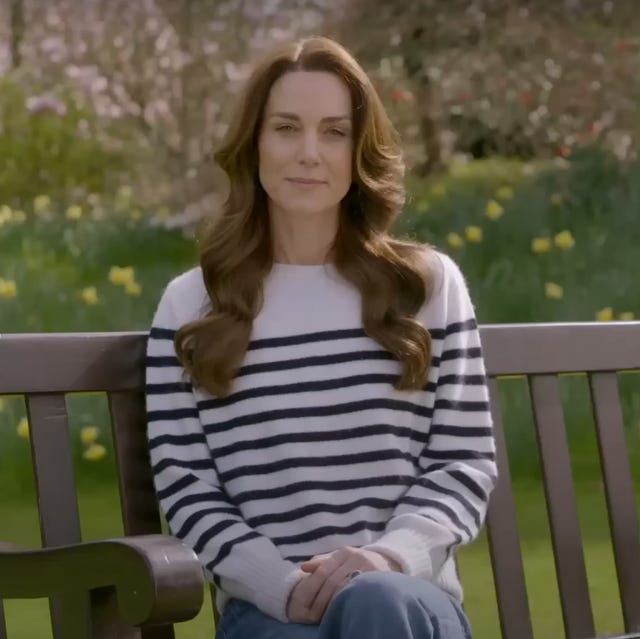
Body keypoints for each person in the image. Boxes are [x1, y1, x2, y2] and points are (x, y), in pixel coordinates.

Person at [145, 35, 497, 639]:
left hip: (407, 602)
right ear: (254, 144)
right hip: (269, 613)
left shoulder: (426, 287)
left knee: (376, 603)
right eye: (287, 128)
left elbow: (462, 463)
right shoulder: (191, 305)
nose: (310, 152)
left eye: (334, 132)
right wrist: (282, 586)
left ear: (360, 150)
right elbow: (187, 488)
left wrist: (384, 559)